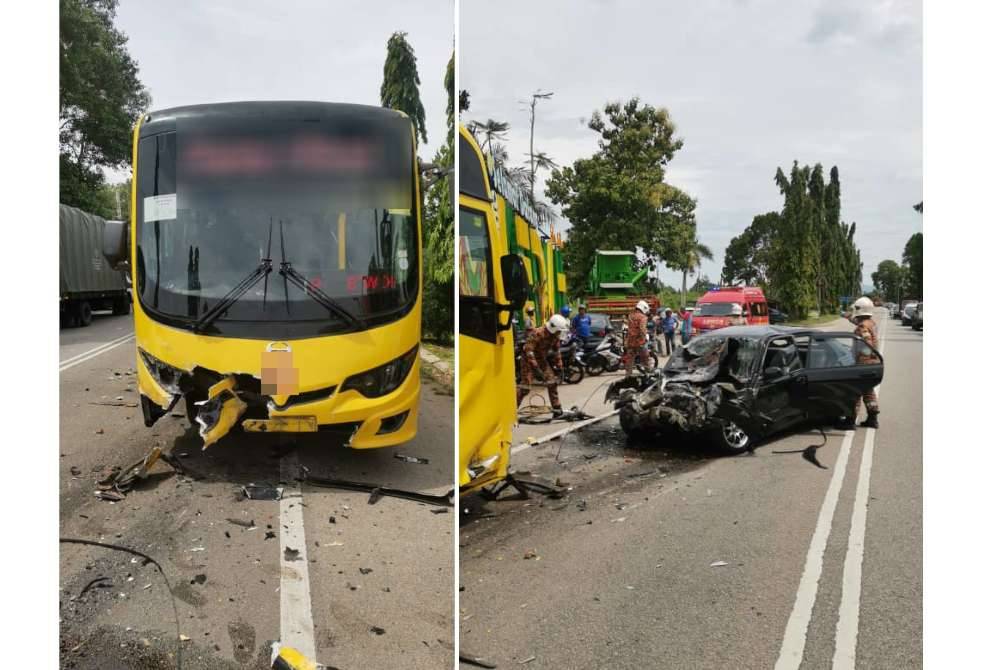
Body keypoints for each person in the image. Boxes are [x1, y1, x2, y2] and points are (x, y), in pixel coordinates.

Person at [517, 314, 569, 418]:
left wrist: (560, 367)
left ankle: (557, 409)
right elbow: (529, 351)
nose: (560, 333)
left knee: (552, 382)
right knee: (525, 388)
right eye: (559, 330)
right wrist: (536, 369)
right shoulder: (537, 333)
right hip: (528, 360)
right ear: (553, 328)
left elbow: (556, 351)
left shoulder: (555, 337)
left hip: (541, 360)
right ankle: (511, 411)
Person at [851, 296, 881, 428]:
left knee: (855, 391)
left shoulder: (862, 326)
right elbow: (857, 323)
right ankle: (873, 418)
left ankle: (850, 420)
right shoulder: (871, 323)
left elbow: (867, 344)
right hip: (873, 363)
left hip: (864, 364)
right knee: (869, 391)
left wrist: (859, 356)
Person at [623, 300, 651, 374]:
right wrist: (644, 337)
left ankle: (628, 377)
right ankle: (649, 374)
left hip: (630, 342)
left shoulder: (630, 316)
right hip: (640, 342)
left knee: (629, 361)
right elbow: (642, 329)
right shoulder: (643, 317)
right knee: (645, 359)